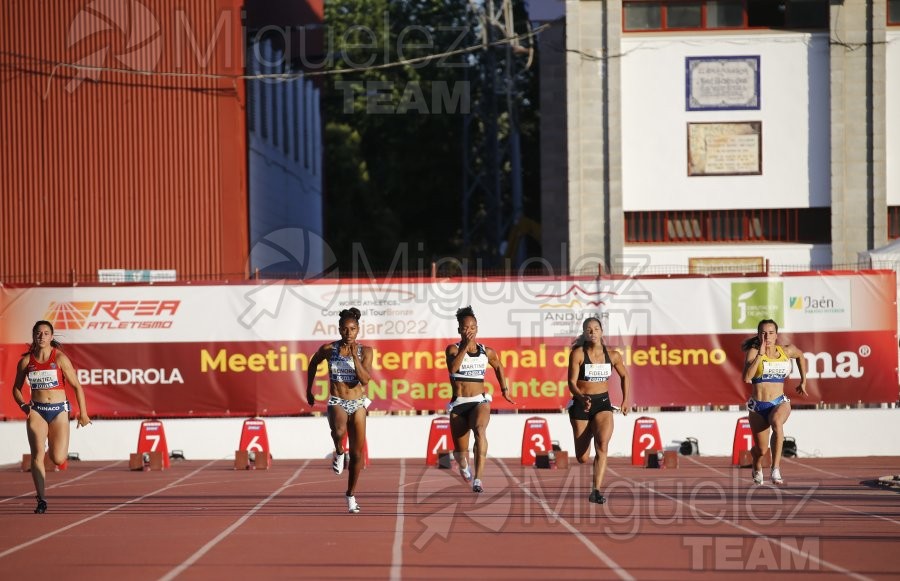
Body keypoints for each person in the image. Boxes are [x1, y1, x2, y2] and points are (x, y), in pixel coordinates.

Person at [11, 320, 91, 514]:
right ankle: (41, 499)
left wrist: (84, 413)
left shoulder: (60, 358)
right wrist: (23, 405)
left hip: (59, 411)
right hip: (36, 410)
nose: (42, 336)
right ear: (33, 336)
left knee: (58, 458)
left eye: (46, 333)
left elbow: (76, 387)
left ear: (51, 337)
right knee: (37, 455)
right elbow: (16, 389)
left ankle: (50, 447)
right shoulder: (26, 361)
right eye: (38, 333)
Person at [306, 308, 373, 514]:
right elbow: (313, 363)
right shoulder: (329, 349)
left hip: (358, 402)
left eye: (352, 329)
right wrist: (309, 389)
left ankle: (351, 494)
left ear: (358, 330)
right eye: (344, 329)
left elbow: (365, 379)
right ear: (339, 329)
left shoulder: (365, 351)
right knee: (339, 431)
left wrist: (354, 357)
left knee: (358, 455)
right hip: (337, 400)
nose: (348, 333)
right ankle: (338, 450)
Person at [445, 306, 514, 493]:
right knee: (460, 454)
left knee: (480, 430)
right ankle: (463, 466)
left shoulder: (487, 351)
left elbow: (499, 367)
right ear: (459, 329)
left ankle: (478, 479)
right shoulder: (453, 349)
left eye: (473, 327)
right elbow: (453, 369)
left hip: (479, 401)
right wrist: (465, 347)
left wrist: (504, 390)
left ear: (477, 328)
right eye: (465, 327)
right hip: (459, 404)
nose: (469, 331)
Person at [567, 316, 630, 504]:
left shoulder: (613, 356)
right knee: (582, 457)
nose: (592, 331)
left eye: (596, 328)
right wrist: (580, 397)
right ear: (584, 334)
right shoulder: (578, 354)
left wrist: (626, 400)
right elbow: (571, 383)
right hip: (581, 405)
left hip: (602, 403)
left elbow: (625, 376)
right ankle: (590, 429)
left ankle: (596, 491)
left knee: (602, 444)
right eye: (588, 329)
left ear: (602, 332)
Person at [741, 318, 807, 485]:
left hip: (779, 402)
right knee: (761, 450)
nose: (767, 336)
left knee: (777, 422)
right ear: (758, 335)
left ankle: (775, 468)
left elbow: (800, 356)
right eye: (763, 333)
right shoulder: (754, 352)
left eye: (770, 333)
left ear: (776, 335)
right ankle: (756, 462)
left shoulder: (786, 351)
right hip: (758, 406)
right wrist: (761, 354)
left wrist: (803, 381)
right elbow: (747, 378)